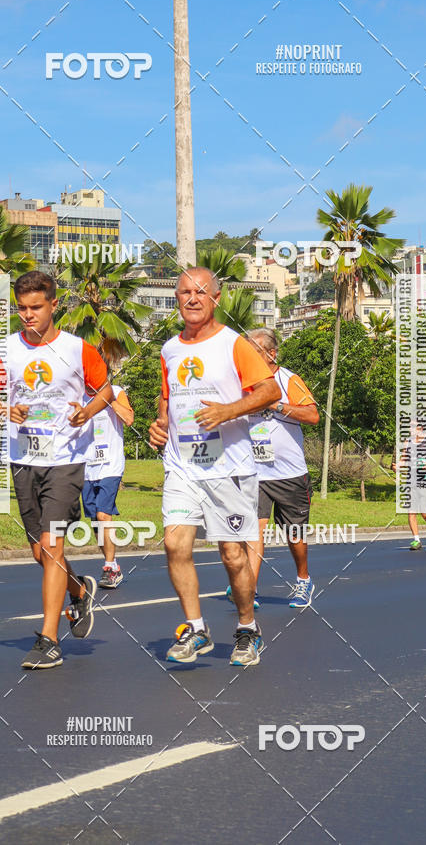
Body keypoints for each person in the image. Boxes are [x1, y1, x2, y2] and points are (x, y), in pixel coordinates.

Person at [148, 267, 280, 667]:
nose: (192, 298)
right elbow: (167, 399)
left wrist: (228, 411)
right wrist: (160, 425)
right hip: (183, 466)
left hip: (229, 467)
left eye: (201, 292)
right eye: (185, 292)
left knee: (232, 554)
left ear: (216, 299)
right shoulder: (170, 349)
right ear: (176, 298)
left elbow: (270, 390)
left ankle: (247, 629)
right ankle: (196, 629)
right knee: (174, 543)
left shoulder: (234, 344)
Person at [0, 271, 114, 669]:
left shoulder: (78, 349)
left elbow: (105, 391)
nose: (27, 315)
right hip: (24, 457)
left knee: (51, 547)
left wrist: (87, 411)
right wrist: (4, 408)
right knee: (39, 553)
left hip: (66, 460)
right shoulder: (4, 350)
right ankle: (79, 590)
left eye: (35, 308)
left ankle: (48, 640)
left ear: (53, 305)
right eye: (21, 308)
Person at [230, 328, 319, 609]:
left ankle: (303, 580)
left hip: (289, 474)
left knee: (294, 536)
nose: (247, 356)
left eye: (253, 351)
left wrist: (277, 405)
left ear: (271, 353)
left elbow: (313, 415)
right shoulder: (242, 384)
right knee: (253, 531)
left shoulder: (287, 379)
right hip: (255, 472)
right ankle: (249, 590)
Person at [82, 369, 134, 588]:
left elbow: (129, 419)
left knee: (104, 515)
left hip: (110, 466)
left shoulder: (117, 391)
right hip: (86, 467)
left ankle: (110, 567)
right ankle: (112, 564)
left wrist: (108, 398)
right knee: (95, 520)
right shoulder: (77, 397)